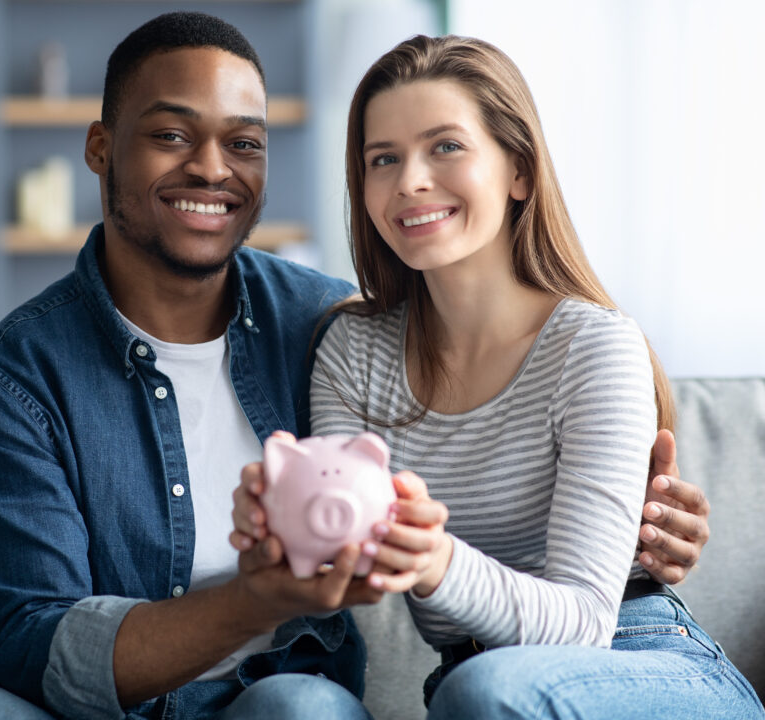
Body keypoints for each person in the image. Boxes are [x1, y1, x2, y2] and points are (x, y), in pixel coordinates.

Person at [0, 14, 711, 720]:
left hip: (361, 679)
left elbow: (556, 597)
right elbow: (29, 639)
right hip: (128, 698)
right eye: (172, 134)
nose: (213, 168)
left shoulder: (319, 323)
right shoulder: (11, 380)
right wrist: (271, 583)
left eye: (243, 143)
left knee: (324, 705)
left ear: (520, 169)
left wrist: (644, 533)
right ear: (101, 149)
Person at [233, 33, 763, 719]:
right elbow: (347, 548)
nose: (411, 180)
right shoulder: (352, 352)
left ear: (517, 169)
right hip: (472, 683)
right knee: (287, 705)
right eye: (382, 159)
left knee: (484, 690)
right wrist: (283, 522)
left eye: (445, 146)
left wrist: (433, 561)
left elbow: (583, 625)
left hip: (638, 661)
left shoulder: (593, 345)